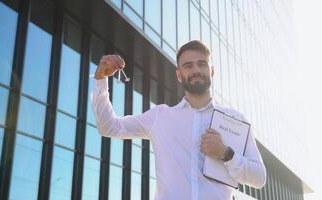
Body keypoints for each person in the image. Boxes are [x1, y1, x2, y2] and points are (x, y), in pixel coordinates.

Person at [92, 40, 266, 200]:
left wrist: (226, 154)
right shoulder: (160, 117)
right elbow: (109, 127)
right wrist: (100, 80)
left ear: (212, 70)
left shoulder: (235, 119)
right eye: (188, 66)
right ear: (179, 74)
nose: (196, 70)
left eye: (202, 64)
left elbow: (259, 178)